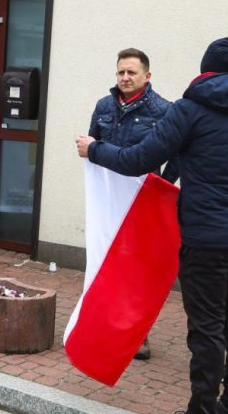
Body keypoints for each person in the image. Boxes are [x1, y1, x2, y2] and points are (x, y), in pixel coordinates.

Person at [76, 38, 228, 414]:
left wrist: (94, 149)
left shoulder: (189, 110)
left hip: (204, 237)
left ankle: (202, 407)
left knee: (207, 326)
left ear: (205, 69)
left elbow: (139, 159)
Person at [87, 47, 173, 361]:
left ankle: (138, 334)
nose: (125, 78)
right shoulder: (103, 106)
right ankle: (104, 325)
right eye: (120, 72)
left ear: (146, 76)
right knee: (104, 259)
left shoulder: (164, 111)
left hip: (141, 203)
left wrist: (163, 189)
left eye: (131, 72)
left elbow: (175, 156)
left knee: (136, 267)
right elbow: (93, 145)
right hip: (108, 200)